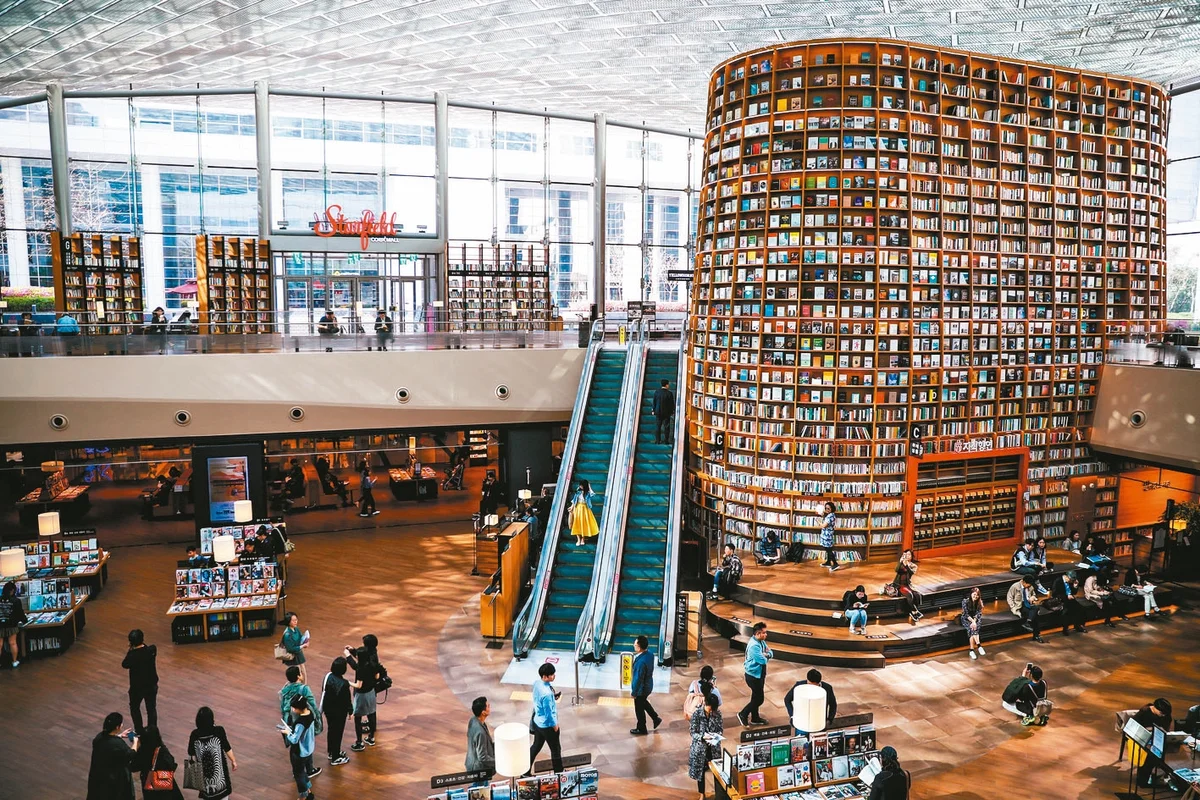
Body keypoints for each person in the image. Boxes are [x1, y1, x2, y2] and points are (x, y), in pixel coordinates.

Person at [87, 711, 138, 800]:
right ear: (117, 727)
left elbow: (108, 743)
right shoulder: (118, 745)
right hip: (113, 781)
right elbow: (130, 754)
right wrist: (136, 742)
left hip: (98, 778)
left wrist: (119, 736)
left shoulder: (99, 737)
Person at [188, 707, 237, 800]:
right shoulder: (219, 731)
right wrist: (233, 760)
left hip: (204, 777)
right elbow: (227, 747)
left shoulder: (194, 734)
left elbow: (191, 753)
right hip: (221, 780)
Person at [345, 634, 381, 752]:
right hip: (371, 691)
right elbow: (376, 675)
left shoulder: (362, 667)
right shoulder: (372, 658)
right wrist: (353, 651)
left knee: (358, 717)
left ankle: (359, 741)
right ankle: (371, 737)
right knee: (371, 713)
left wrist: (348, 656)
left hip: (362, 694)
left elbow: (357, 669)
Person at [280, 695, 319, 800]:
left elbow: (294, 740)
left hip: (299, 752)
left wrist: (287, 732)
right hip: (308, 749)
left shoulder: (300, 723)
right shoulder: (310, 714)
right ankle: (309, 791)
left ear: (299, 708)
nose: (292, 709)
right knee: (302, 771)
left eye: (294, 707)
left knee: (298, 773)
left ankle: (304, 796)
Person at [528, 663, 563, 774]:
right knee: (556, 749)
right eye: (551, 674)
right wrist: (555, 726)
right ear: (545, 676)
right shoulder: (547, 694)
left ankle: (525, 770)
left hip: (537, 722)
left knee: (536, 746)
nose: (554, 676)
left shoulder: (537, 683)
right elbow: (549, 714)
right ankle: (559, 773)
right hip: (547, 726)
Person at [131, 726, 184, 800]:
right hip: (164, 781)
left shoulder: (143, 752)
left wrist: (135, 746)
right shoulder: (162, 749)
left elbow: (133, 767)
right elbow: (172, 764)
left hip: (149, 783)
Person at [122, 629, 158, 734]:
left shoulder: (132, 656)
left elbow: (124, 664)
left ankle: (139, 730)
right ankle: (152, 730)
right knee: (151, 708)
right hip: (151, 684)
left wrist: (130, 649)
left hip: (137, 687)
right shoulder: (152, 650)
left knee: (134, 708)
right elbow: (146, 648)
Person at [688, 692, 723, 800]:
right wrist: (703, 737)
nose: (712, 711)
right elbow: (693, 732)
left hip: (713, 748)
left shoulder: (717, 714)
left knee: (717, 771)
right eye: (710, 709)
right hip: (700, 748)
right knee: (700, 772)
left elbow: (720, 730)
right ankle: (702, 794)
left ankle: (719, 794)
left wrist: (716, 736)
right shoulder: (697, 714)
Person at [280, 665, 323, 752]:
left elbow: (282, 706)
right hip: (301, 718)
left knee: (294, 737)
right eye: (300, 673)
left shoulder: (285, 689)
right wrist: (318, 718)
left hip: (289, 718)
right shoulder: (304, 689)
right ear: (298, 676)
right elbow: (313, 704)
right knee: (304, 737)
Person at [319, 657, 353, 766]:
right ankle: (336, 757)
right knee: (337, 733)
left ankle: (332, 751)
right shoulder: (344, 684)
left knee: (331, 730)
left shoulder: (327, 677)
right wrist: (350, 711)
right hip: (339, 712)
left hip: (328, 709)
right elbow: (347, 700)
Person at [737, 622, 772, 727]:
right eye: (764, 633)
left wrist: (766, 654)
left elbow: (770, 652)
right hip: (753, 676)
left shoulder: (761, 642)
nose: (766, 635)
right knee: (759, 699)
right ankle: (743, 714)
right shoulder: (754, 646)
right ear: (758, 633)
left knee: (755, 696)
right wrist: (766, 655)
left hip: (760, 673)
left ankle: (755, 718)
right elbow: (763, 661)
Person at [1134, 698, 1174, 788]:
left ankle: (1162, 773)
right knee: (1150, 755)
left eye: (1165, 714)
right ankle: (1143, 780)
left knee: (1167, 750)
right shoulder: (1144, 712)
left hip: (1158, 738)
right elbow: (1135, 726)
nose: (1163, 716)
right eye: (1161, 713)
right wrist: (1150, 729)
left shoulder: (1166, 716)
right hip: (1143, 737)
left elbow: (1166, 728)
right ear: (1154, 708)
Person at [630, 634, 662, 735]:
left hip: (641, 689)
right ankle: (655, 718)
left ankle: (641, 728)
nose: (633, 645)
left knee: (639, 708)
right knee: (643, 702)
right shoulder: (650, 654)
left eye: (635, 645)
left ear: (639, 647)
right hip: (648, 685)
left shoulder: (641, 662)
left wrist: (634, 692)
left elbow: (638, 679)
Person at [465, 696, 495, 776]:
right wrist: (499, 762)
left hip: (472, 763)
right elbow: (483, 757)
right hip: (479, 770)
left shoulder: (473, 720)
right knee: (481, 788)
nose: (489, 707)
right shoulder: (480, 732)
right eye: (487, 706)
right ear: (483, 712)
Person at [0, 580, 27, 668]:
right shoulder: (16, 601)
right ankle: (14, 661)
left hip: (0, 624)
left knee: (0, 644)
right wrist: (24, 621)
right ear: (12, 591)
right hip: (12, 625)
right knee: (13, 643)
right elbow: (20, 613)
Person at [1053, 571, 1088, 636]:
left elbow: (1074, 593)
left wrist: (1075, 586)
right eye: (1071, 579)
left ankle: (1078, 626)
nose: (1071, 581)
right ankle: (1065, 629)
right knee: (1066, 612)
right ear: (1066, 576)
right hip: (1061, 600)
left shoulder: (1071, 582)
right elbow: (1055, 594)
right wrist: (1066, 596)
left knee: (1081, 609)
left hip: (1070, 599)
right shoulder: (1058, 581)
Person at [894, 549, 923, 622]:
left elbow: (910, 573)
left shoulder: (914, 566)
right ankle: (914, 612)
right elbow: (896, 570)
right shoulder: (901, 563)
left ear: (911, 556)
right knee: (910, 595)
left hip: (908, 584)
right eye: (906, 554)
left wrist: (906, 565)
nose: (907, 556)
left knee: (916, 594)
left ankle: (914, 612)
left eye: (909, 554)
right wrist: (900, 562)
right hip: (900, 584)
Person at [569, 479, 599, 547]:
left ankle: (583, 539)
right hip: (578, 508)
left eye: (581, 485)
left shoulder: (588, 493)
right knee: (576, 523)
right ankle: (578, 539)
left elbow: (592, 494)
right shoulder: (578, 491)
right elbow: (574, 500)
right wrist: (571, 507)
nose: (580, 486)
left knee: (584, 524)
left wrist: (589, 486)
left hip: (585, 509)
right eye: (580, 485)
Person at [281, 612, 309, 683]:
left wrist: (305, 641)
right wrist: (302, 646)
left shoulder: (296, 629)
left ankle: (304, 686)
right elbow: (290, 649)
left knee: (303, 672)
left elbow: (300, 637)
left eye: (296, 619)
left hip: (298, 654)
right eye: (293, 620)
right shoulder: (287, 635)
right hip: (293, 657)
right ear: (288, 622)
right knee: (297, 675)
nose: (295, 622)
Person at [1020, 575, 1046, 643]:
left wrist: (1033, 597)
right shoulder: (1015, 586)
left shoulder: (1030, 587)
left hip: (1028, 604)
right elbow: (1010, 597)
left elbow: (1033, 594)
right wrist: (1013, 607)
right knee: (1034, 614)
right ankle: (1036, 635)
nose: (1029, 586)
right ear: (1024, 582)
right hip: (1020, 605)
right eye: (1028, 584)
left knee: (1035, 612)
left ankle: (1029, 623)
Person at [961, 586, 985, 659]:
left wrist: (974, 621)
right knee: (972, 628)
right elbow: (966, 614)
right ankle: (979, 645)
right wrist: (972, 621)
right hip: (966, 619)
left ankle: (971, 650)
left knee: (973, 628)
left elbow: (978, 613)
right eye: (974, 594)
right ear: (971, 594)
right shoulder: (965, 601)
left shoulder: (980, 602)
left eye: (977, 595)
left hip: (976, 619)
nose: (976, 596)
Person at [652, 378, 675, 445]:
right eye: (668, 384)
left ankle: (657, 440)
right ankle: (666, 440)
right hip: (666, 413)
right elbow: (671, 404)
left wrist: (653, 409)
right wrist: (672, 411)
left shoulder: (657, 392)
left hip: (658, 412)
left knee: (658, 426)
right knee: (666, 427)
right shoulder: (669, 393)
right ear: (666, 385)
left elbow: (654, 402)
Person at [820, 501, 838, 571]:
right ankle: (828, 562)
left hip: (827, 536)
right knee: (827, 549)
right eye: (826, 508)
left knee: (829, 550)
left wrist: (818, 521)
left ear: (832, 509)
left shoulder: (830, 516)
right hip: (826, 535)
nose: (827, 510)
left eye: (828, 509)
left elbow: (823, 526)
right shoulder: (831, 515)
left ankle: (835, 564)